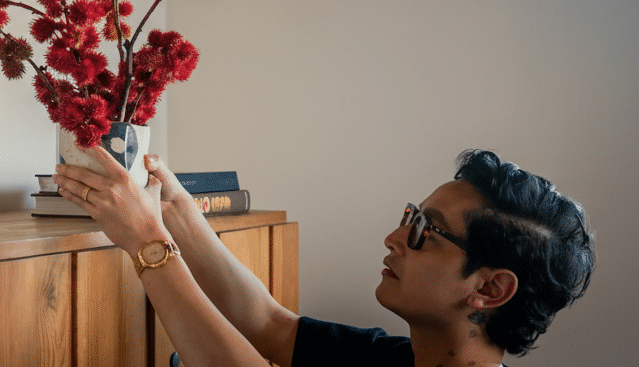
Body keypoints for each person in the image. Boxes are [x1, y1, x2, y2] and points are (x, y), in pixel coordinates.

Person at [53, 148, 593, 367]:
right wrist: (176, 210)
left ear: (490, 290)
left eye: (425, 230)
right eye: (411, 216)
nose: (394, 237)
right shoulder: (395, 359)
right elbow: (268, 323)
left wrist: (147, 241)